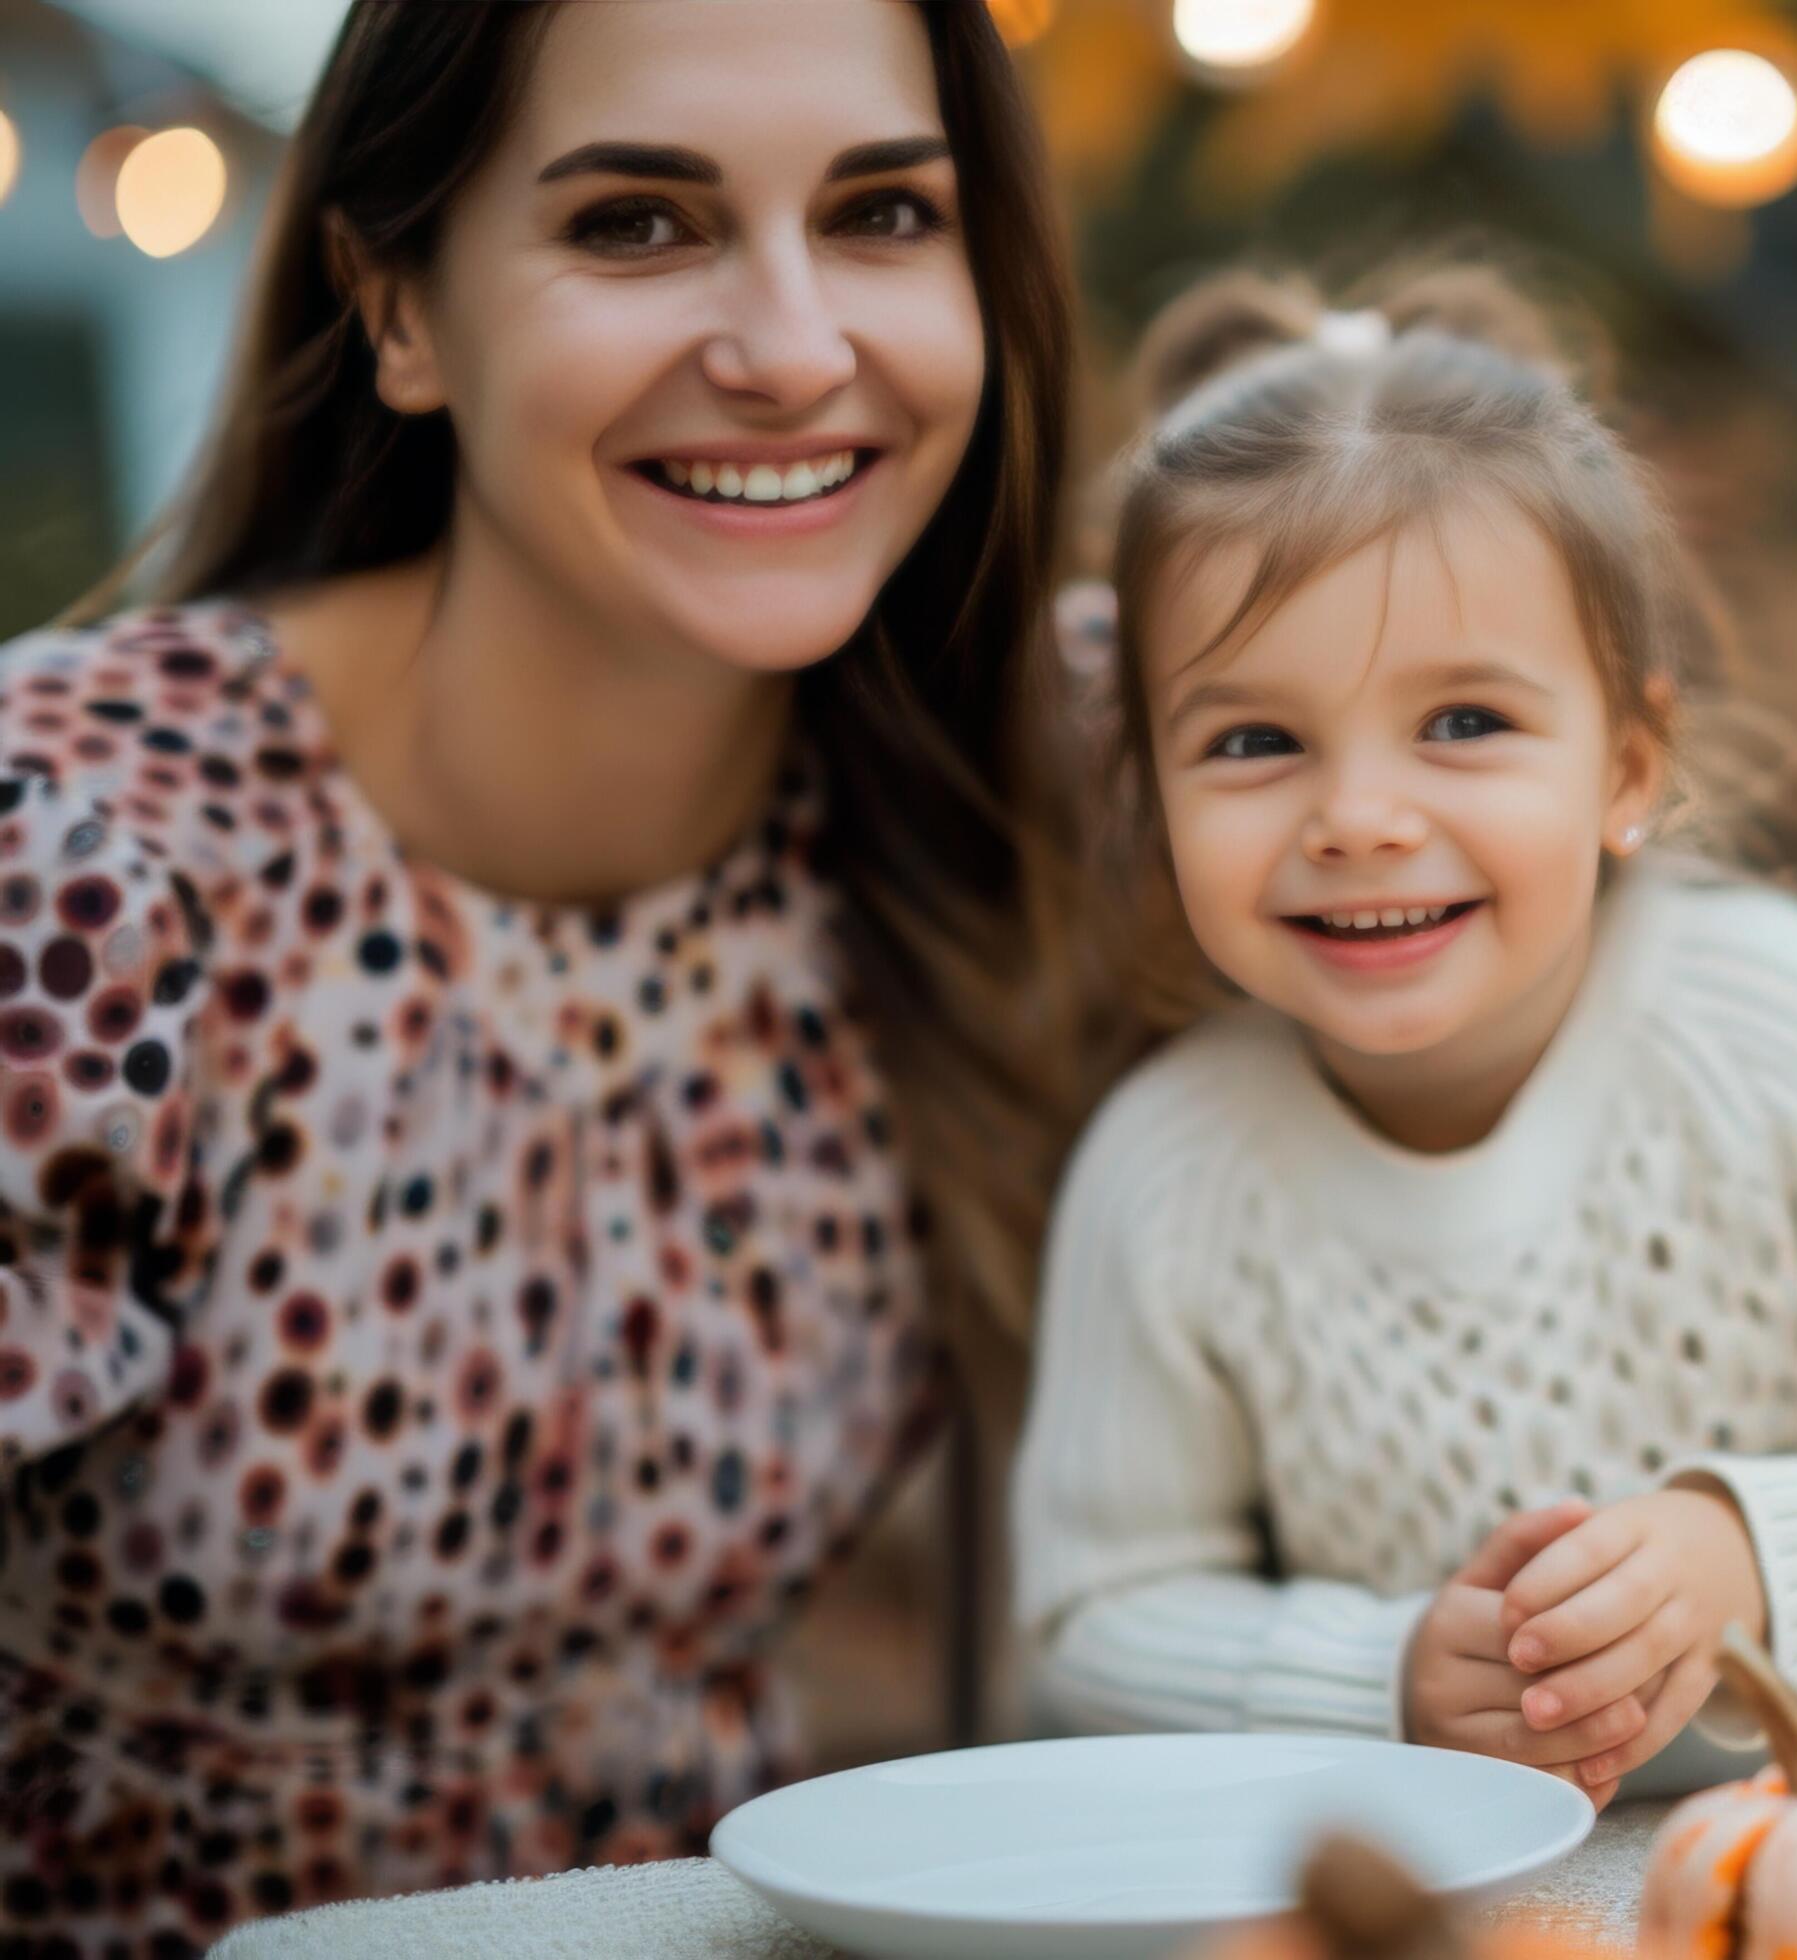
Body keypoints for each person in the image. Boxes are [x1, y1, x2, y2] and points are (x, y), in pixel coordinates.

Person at [0, 2, 1106, 1945]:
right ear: (400, 307)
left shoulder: (1006, 796)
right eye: (636, 228)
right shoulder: (79, 860)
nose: (789, 347)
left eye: (883, 215)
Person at [1009, 266, 1797, 1804]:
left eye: (1463, 722)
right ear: (1149, 791)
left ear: (1624, 761)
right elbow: (1095, 1609)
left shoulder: (1775, 1023)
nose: (1359, 820)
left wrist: (1749, 1559)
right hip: (1457, 1899)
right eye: (1254, 741)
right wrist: (1382, 1675)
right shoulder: (1171, 1171)